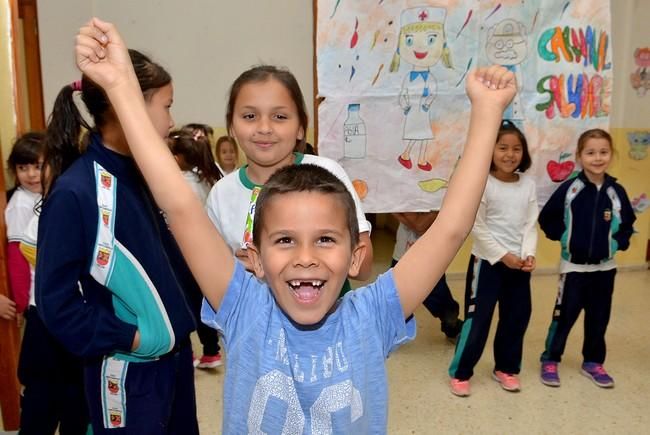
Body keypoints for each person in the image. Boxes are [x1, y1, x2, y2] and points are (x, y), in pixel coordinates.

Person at [75, 17, 515, 433]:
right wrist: (120, 87)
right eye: (284, 240)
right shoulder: (244, 307)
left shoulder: (374, 315)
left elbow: (451, 228)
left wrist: (488, 113)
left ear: (357, 252)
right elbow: (180, 206)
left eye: (325, 239)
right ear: (256, 259)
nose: (306, 258)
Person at [36, 49, 199, 433]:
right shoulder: (76, 192)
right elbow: (56, 303)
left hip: (174, 361)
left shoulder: (146, 175)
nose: (171, 121)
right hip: (127, 370)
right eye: (166, 107)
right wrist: (132, 337)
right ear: (126, 107)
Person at [204, 64, 374, 284]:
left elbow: (364, 267)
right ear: (231, 126)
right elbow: (211, 273)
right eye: (249, 116)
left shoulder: (327, 174)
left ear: (301, 127)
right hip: (252, 316)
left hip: (328, 315)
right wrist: (235, 270)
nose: (264, 127)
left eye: (280, 117)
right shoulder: (221, 195)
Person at [538, 128, 636, 389]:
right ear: (580, 157)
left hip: (605, 270)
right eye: (590, 152)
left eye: (603, 152)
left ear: (611, 155)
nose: (597, 158)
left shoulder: (616, 192)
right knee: (564, 316)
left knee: (599, 317)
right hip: (573, 269)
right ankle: (550, 358)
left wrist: (617, 243)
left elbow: (628, 223)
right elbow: (547, 218)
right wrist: (564, 238)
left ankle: (593, 361)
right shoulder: (570, 189)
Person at [447, 120, 537, 397]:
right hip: (487, 264)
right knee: (478, 319)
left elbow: (530, 223)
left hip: (519, 266)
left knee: (517, 317)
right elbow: (477, 225)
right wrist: (502, 256)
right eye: (502, 148)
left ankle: (506, 369)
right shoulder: (483, 183)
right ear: (490, 151)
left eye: (516, 149)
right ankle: (461, 372)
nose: (510, 154)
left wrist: (528, 253)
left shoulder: (528, 184)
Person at [391, 211, 462, 340]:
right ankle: (394, 330)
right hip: (403, 251)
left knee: (437, 293)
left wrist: (409, 218)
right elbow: (417, 224)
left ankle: (451, 324)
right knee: (395, 293)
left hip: (429, 253)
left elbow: (419, 225)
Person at [5, 132, 44, 316]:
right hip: (35, 297)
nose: (31, 174)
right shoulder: (21, 202)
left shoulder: (48, 194)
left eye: (38, 167)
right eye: (23, 168)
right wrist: (22, 302)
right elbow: (16, 253)